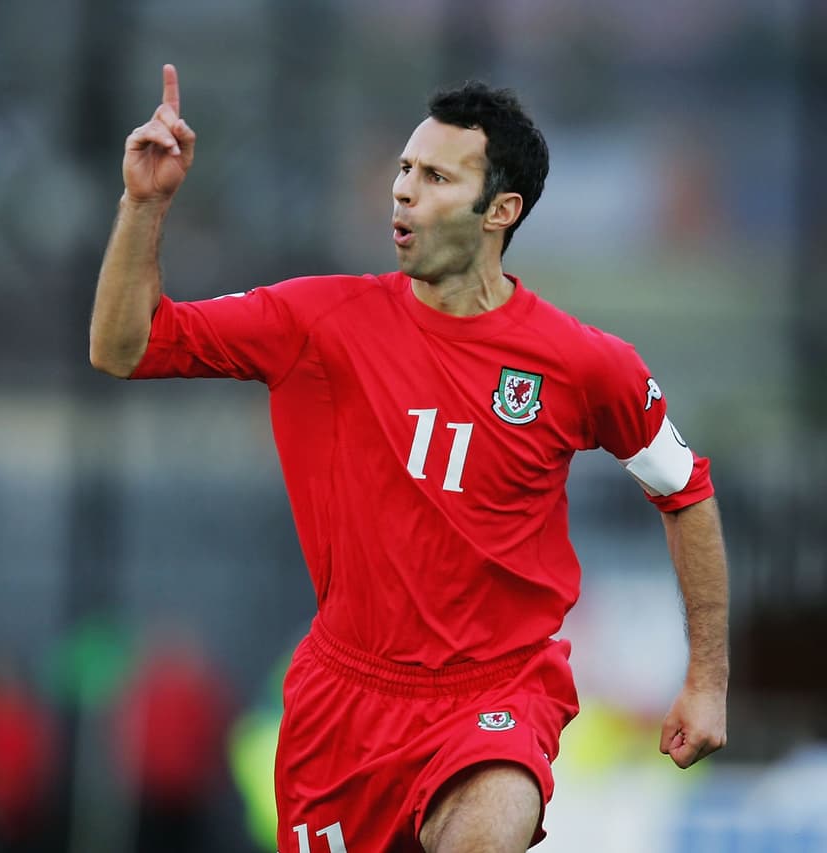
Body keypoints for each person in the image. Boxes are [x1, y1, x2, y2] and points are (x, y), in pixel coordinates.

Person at [89, 65, 729, 853]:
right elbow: (126, 346)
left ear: (501, 210)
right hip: (343, 703)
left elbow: (685, 491)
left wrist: (706, 678)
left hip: (498, 692)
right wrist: (144, 204)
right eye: (402, 168)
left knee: (483, 830)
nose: (402, 190)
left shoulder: (584, 364)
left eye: (433, 175)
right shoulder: (319, 321)